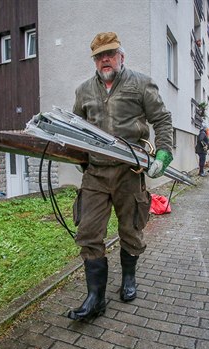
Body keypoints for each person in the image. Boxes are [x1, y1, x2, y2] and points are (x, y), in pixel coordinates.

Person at [68, 32, 173, 321]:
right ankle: (95, 298)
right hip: (96, 173)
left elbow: (161, 119)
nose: (105, 59)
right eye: (99, 56)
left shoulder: (140, 83)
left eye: (110, 54)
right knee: (88, 231)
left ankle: (128, 279)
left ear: (121, 57)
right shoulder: (84, 91)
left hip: (130, 171)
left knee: (130, 228)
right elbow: (76, 127)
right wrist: (80, 157)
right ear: (95, 61)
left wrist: (164, 152)